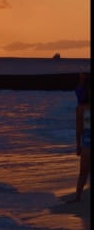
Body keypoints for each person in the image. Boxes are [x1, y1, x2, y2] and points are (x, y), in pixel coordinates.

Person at [68, 74, 90, 203]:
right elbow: (79, 129)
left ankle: (77, 197)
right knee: (83, 171)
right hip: (87, 140)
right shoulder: (81, 108)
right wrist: (78, 145)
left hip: (87, 140)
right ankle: (77, 197)